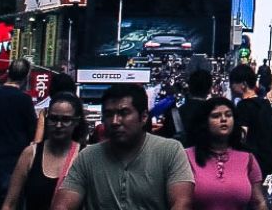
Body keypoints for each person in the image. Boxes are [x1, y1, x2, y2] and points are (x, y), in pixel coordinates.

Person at [52, 85, 192, 210]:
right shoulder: (88, 157)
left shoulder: (170, 151)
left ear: (143, 117)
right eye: (108, 114)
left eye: (123, 113)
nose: (114, 121)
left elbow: (182, 203)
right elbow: (63, 204)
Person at [0, 92, 84, 210]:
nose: (58, 125)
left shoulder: (85, 156)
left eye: (65, 120)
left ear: (76, 121)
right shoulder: (30, 154)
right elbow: (9, 204)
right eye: (53, 119)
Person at [0, 63, 39, 210]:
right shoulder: (24, 100)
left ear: (8, 72)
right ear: (26, 77)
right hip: (14, 163)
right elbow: (32, 131)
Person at [184, 97, 262, 210]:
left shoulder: (247, 158)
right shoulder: (187, 157)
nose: (224, 119)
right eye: (216, 116)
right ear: (204, 122)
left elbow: (258, 203)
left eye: (228, 115)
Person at [226, 65, 272, 200]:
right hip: (270, 167)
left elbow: (242, 136)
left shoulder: (244, 106)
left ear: (243, 85)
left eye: (232, 84)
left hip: (252, 169)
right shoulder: (265, 105)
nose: (230, 88)